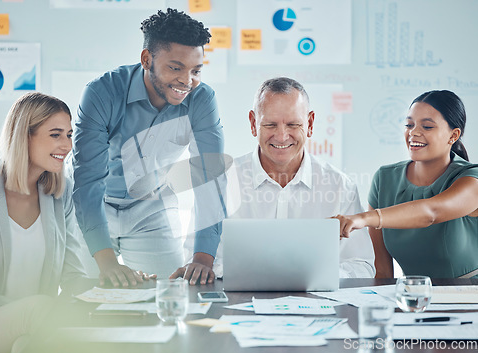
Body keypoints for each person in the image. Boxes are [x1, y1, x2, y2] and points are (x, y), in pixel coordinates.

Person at [72, 8, 225, 287]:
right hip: (97, 204)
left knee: (165, 298)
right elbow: (87, 180)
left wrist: (203, 257)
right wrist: (106, 262)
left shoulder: (202, 100)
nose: (187, 81)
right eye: (175, 68)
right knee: (84, 300)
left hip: (152, 208)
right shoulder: (101, 93)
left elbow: (209, 177)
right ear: (147, 59)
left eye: (195, 71)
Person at [208, 77, 375, 278]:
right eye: (270, 125)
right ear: (253, 124)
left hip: (317, 304)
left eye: (293, 125)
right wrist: (260, 273)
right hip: (239, 304)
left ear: (310, 123)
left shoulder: (340, 187)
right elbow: (197, 258)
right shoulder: (221, 183)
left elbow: (362, 266)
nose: (281, 136)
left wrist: (315, 274)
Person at [0, 92, 87, 353]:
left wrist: (113, 290)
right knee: (38, 312)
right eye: (55, 134)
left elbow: (74, 276)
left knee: (28, 343)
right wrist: (18, 311)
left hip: (37, 324)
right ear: (23, 135)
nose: (67, 145)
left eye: (69, 135)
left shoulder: (61, 195)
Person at [337, 90, 478, 278]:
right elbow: (382, 271)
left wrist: (363, 218)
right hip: (414, 296)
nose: (413, 132)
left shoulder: (471, 178)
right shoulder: (385, 178)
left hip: (467, 297)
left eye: (427, 126)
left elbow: (431, 212)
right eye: (409, 124)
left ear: (453, 136)